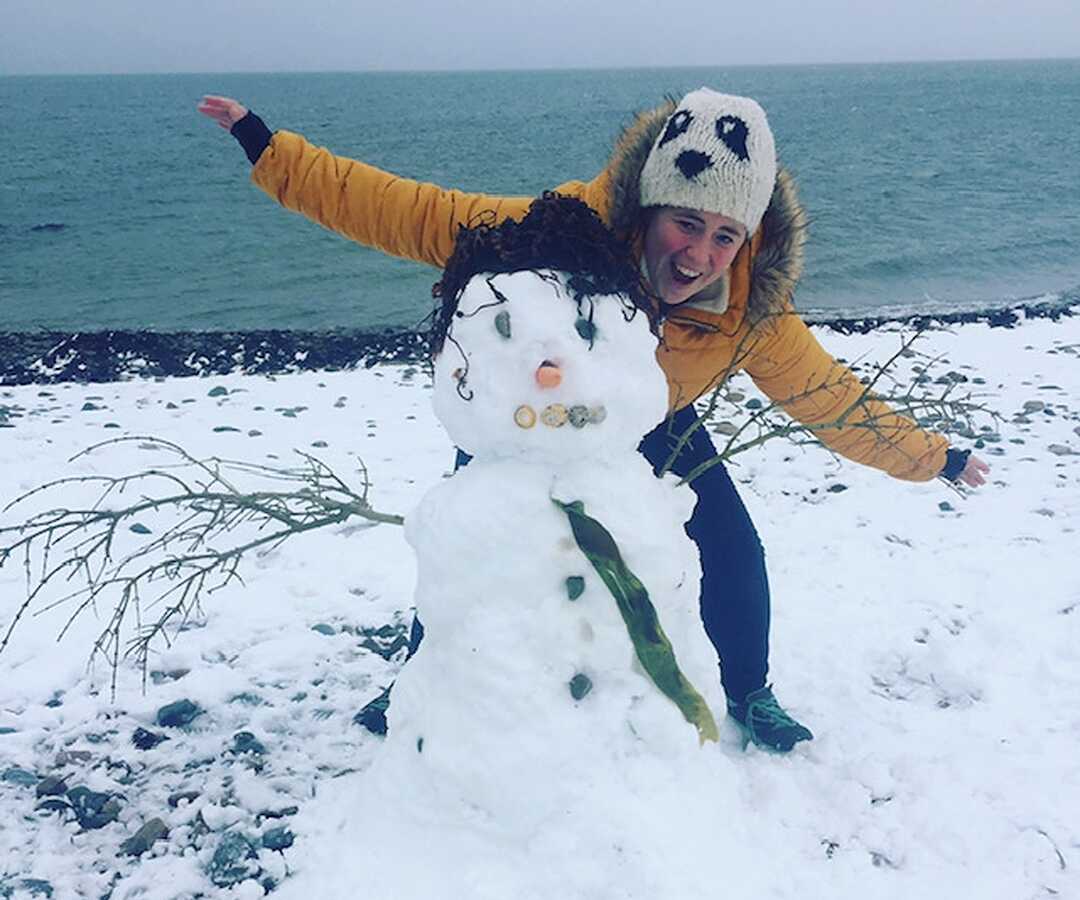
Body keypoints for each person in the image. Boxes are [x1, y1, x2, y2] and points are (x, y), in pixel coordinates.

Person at [198, 89, 990, 752]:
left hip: (659, 421)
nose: (699, 255)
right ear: (648, 208)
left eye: (725, 237)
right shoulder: (563, 234)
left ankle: (750, 692)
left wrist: (935, 459)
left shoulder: (752, 309)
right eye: (686, 224)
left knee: (733, 550)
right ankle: (419, 683)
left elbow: (832, 399)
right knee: (470, 546)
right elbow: (413, 213)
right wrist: (274, 154)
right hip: (537, 422)